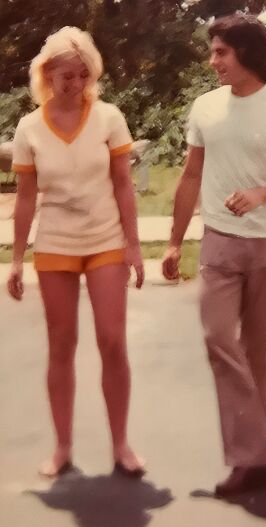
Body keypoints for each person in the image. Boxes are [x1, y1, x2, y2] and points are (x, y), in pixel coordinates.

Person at [162, 13, 266, 498]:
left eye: (220, 53)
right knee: (217, 339)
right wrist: (172, 240)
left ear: (247, 54)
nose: (213, 63)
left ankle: (253, 461)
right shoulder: (206, 109)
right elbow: (190, 177)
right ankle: (255, 452)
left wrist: (261, 194)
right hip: (220, 243)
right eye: (213, 53)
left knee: (257, 354)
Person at [6, 27, 145, 478]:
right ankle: (63, 447)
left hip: (104, 239)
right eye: (66, 76)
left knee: (111, 339)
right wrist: (16, 259)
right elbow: (26, 198)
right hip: (56, 244)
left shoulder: (108, 117)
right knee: (61, 344)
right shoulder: (29, 127)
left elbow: (124, 185)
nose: (74, 84)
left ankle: (121, 444)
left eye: (83, 75)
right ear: (47, 74)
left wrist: (133, 246)